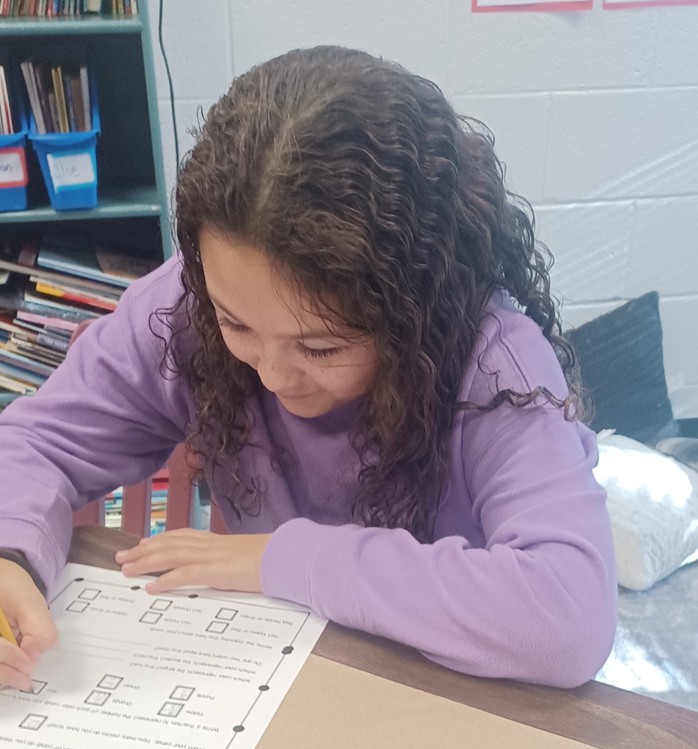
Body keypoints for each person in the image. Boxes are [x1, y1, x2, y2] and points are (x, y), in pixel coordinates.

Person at [0, 45, 617, 693]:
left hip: (447, 694)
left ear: (415, 310)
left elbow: (568, 618)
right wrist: (10, 554)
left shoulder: (495, 368)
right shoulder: (184, 306)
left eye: (320, 348)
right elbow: (39, 442)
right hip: (273, 683)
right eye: (236, 325)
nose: (271, 376)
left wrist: (288, 558)